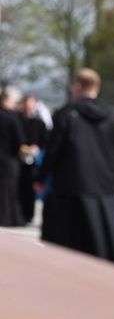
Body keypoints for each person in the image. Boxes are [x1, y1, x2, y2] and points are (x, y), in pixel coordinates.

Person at [34, 68, 114, 267]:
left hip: (69, 189)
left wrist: (40, 176)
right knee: (100, 249)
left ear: (79, 87)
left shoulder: (67, 114)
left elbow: (53, 150)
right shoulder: (112, 116)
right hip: (103, 191)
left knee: (65, 251)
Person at [17, 93, 49, 224]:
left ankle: (28, 214)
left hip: (34, 161)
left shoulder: (40, 123)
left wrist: (37, 148)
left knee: (31, 188)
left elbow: (45, 140)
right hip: (19, 159)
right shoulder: (18, 120)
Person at [0, 87, 25, 226]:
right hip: (9, 160)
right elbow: (20, 140)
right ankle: (9, 218)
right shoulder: (12, 118)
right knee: (10, 191)